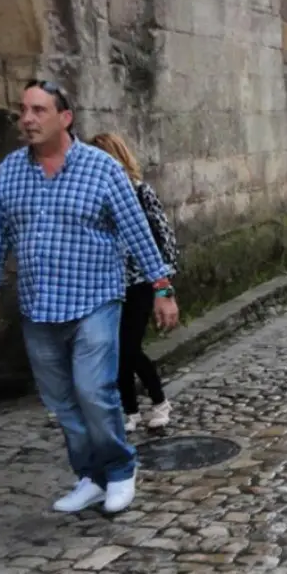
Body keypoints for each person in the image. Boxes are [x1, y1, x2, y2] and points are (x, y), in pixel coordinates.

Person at [0, 79, 180, 515]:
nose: (27, 119)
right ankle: (90, 476)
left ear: (64, 118)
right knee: (61, 401)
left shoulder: (101, 169)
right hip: (39, 306)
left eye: (39, 110)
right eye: (23, 110)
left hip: (95, 301)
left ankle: (121, 470)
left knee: (93, 390)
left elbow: (138, 232)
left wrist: (162, 289)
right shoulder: (10, 170)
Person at [89, 133, 180, 433]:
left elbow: (164, 240)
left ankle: (159, 401)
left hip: (140, 283)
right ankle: (129, 411)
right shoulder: (93, 198)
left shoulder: (141, 193)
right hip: (107, 285)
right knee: (113, 350)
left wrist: (163, 289)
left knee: (129, 348)